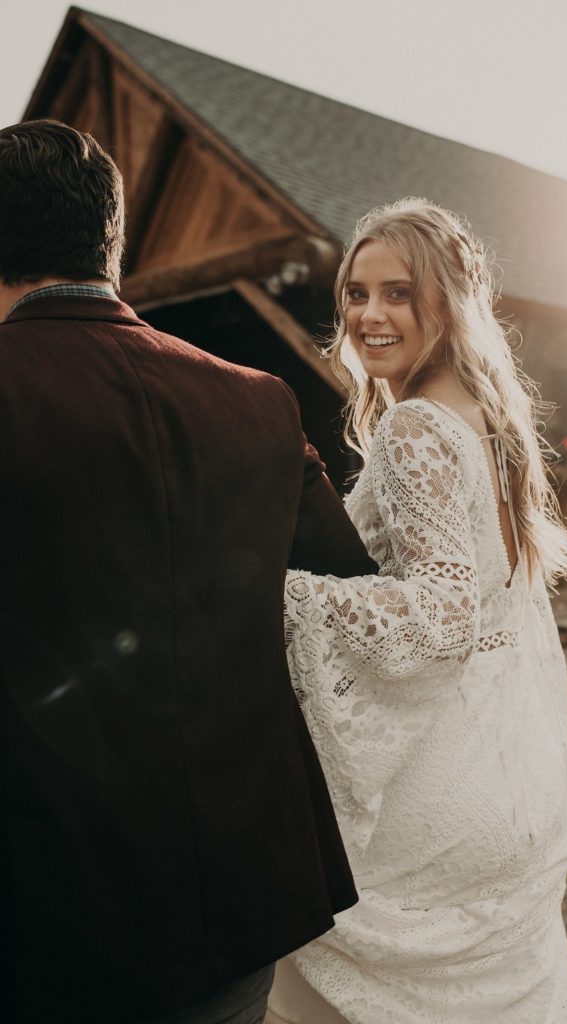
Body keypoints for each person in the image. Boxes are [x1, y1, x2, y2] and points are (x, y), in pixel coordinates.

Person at [0, 119, 378, 1024]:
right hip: (233, 890)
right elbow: (346, 584)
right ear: (115, 245)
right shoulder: (256, 400)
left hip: (41, 914)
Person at [268, 199, 567, 1024]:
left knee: (296, 960)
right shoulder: (490, 417)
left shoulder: (416, 427)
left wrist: (275, 591)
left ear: (448, 302)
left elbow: (444, 614)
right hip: (509, 769)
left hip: (437, 787)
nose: (369, 316)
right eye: (356, 292)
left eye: (398, 293)